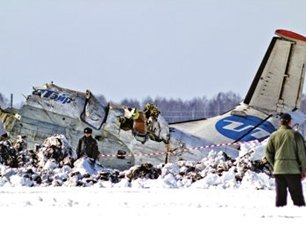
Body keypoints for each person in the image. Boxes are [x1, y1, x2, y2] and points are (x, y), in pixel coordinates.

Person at [265, 113, 306, 207]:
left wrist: (275, 164)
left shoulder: (274, 136)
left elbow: (268, 153)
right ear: (290, 122)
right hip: (293, 170)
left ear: (280, 122)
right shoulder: (296, 135)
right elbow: (302, 154)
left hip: (278, 169)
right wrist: (303, 170)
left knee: (280, 197)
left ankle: (280, 217)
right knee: (297, 197)